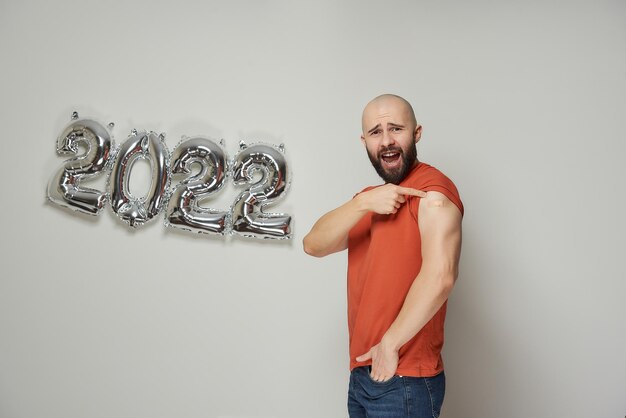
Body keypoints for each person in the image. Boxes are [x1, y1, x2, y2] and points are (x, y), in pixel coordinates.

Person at [303, 94, 463, 418]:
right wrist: (362, 203)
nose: (387, 141)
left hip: (405, 378)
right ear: (364, 141)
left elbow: (441, 276)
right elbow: (313, 244)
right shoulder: (372, 200)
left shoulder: (433, 193)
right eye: (376, 132)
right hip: (364, 373)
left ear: (416, 133)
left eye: (396, 129)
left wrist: (389, 346)